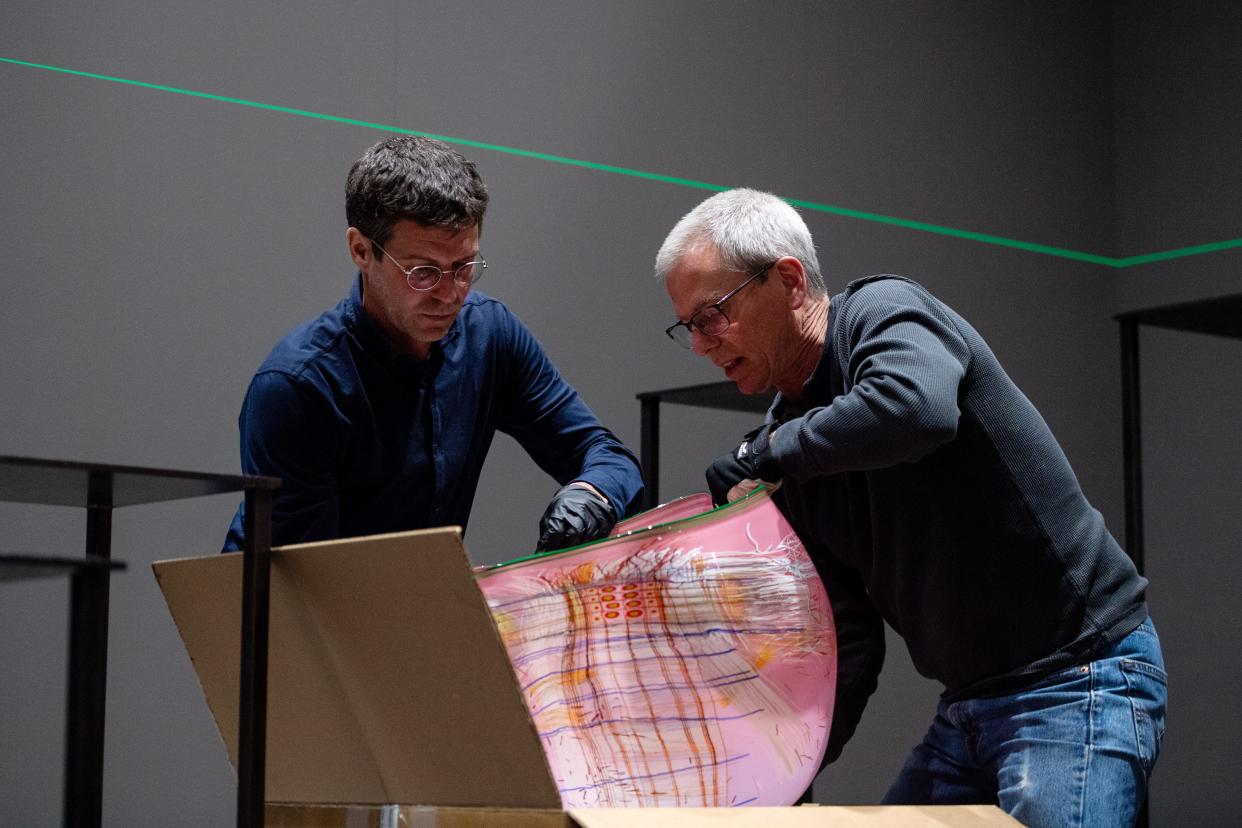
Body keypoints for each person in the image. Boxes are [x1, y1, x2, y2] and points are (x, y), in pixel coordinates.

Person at [654, 188, 1166, 827]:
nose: (702, 343)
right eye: (689, 326)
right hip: (970, 709)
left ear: (787, 280)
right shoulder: (790, 443)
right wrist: (783, 779)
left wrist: (770, 452)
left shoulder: (882, 311)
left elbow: (915, 408)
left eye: (713, 314)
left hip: (1078, 679)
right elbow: (848, 633)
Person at [224, 135, 642, 552]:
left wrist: (593, 495)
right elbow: (304, 586)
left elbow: (606, 455)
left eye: (464, 268)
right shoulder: (298, 387)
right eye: (423, 272)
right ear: (361, 250)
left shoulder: (489, 333)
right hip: (286, 609)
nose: (449, 294)